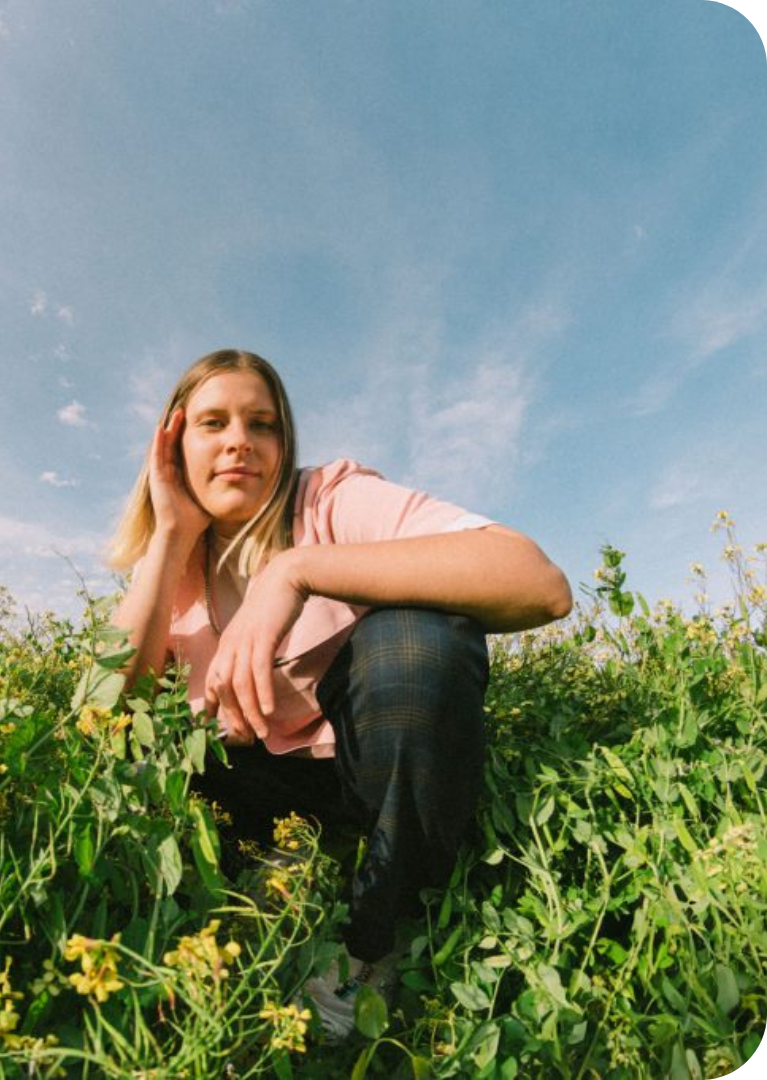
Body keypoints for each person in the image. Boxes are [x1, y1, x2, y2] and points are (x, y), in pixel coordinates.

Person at [107, 348, 572, 1040]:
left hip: (365, 776)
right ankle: (274, 871)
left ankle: (374, 936)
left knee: (419, 636)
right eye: (213, 423)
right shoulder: (175, 559)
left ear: (285, 442)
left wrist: (296, 572)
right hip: (243, 785)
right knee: (147, 747)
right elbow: (107, 716)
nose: (240, 441)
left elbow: (539, 583)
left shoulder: (326, 499)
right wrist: (171, 536)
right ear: (172, 445)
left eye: (262, 424)